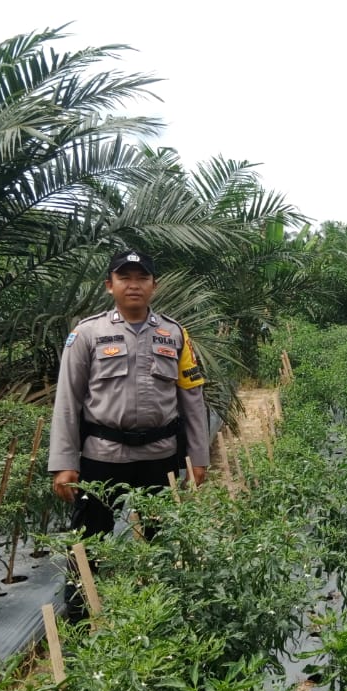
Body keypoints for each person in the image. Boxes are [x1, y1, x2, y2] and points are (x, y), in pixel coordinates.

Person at [47, 249, 210, 615]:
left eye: (141, 278)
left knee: (163, 542)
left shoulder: (175, 335)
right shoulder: (87, 334)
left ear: (154, 285)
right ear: (110, 286)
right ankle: (79, 619)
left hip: (159, 459)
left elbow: (192, 399)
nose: (133, 285)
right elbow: (67, 401)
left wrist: (199, 458)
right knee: (88, 544)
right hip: (102, 458)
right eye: (125, 278)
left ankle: (164, 614)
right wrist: (64, 462)